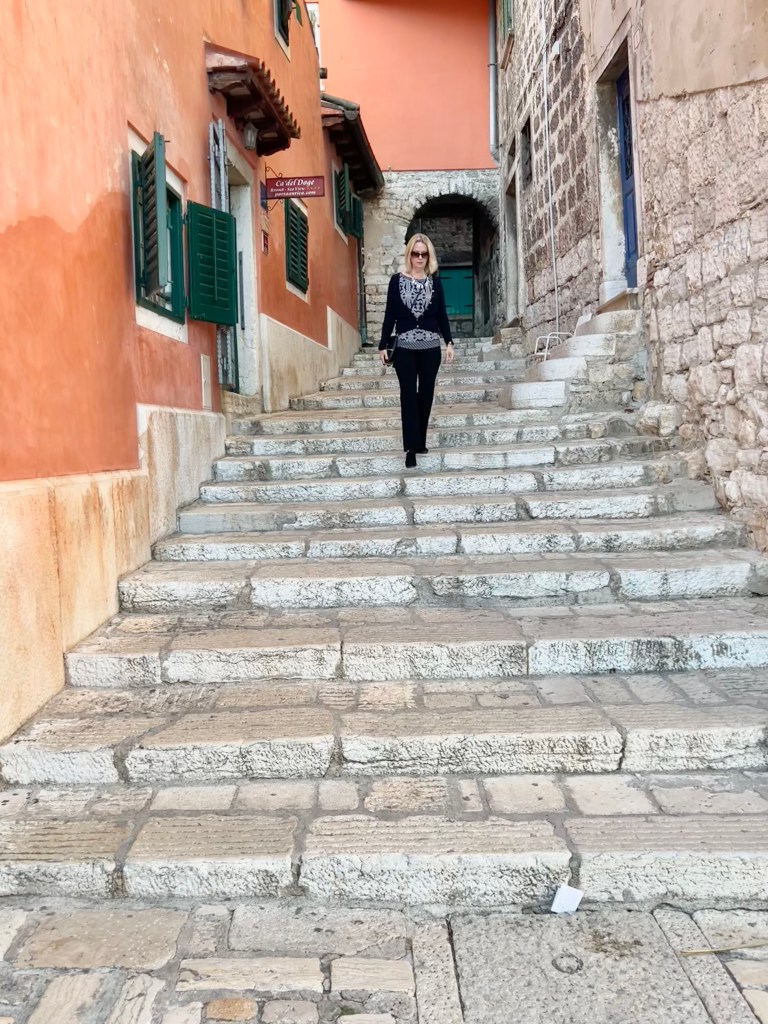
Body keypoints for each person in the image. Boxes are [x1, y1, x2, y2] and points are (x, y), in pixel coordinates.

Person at [378, 233, 455, 468]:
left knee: (426, 393)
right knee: (408, 394)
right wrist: (382, 344)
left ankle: (419, 440)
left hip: (430, 347)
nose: (419, 258)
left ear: (429, 256)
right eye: (415, 253)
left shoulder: (435, 283)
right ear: (409, 254)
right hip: (405, 348)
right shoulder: (396, 281)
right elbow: (390, 314)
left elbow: (442, 315)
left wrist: (449, 342)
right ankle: (411, 448)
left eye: (424, 254)